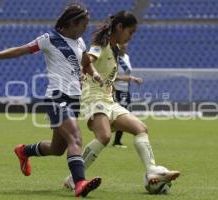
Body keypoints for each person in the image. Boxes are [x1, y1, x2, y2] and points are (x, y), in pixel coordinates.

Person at [0, 4, 103, 197]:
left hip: (75, 99)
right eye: (84, 24)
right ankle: (80, 183)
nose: (86, 28)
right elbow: (20, 50)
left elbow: (85, 62)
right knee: (75, 137)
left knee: (57, 148)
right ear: (72, 23)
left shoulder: (80, 42)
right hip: (57, 97)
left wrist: (94, 73)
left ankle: (24, 151)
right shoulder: (49, 39)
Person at [64, 10, 180, 191]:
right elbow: (89, 60)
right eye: (130, 32)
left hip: (108, 100)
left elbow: (108, 74)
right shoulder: (99, 45)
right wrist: (87, 72)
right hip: (93, 97)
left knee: (141, 129)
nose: (131, 37)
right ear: (119, 27)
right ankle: (74, 178)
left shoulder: (115, 49)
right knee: (104, 137)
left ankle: (151, 172)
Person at [112, 43, 142, 148]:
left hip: (125, 90)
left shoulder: (126, 57)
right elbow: (112, 76)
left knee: (124, 114)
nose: (124, 48)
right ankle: (113, 138)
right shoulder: (114, 58)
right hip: (117, 90)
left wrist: (132, 79)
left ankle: (117, 141)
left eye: (125, 46)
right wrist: (128, 79)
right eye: (121, 47)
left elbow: (127, 74)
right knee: (122, 115)